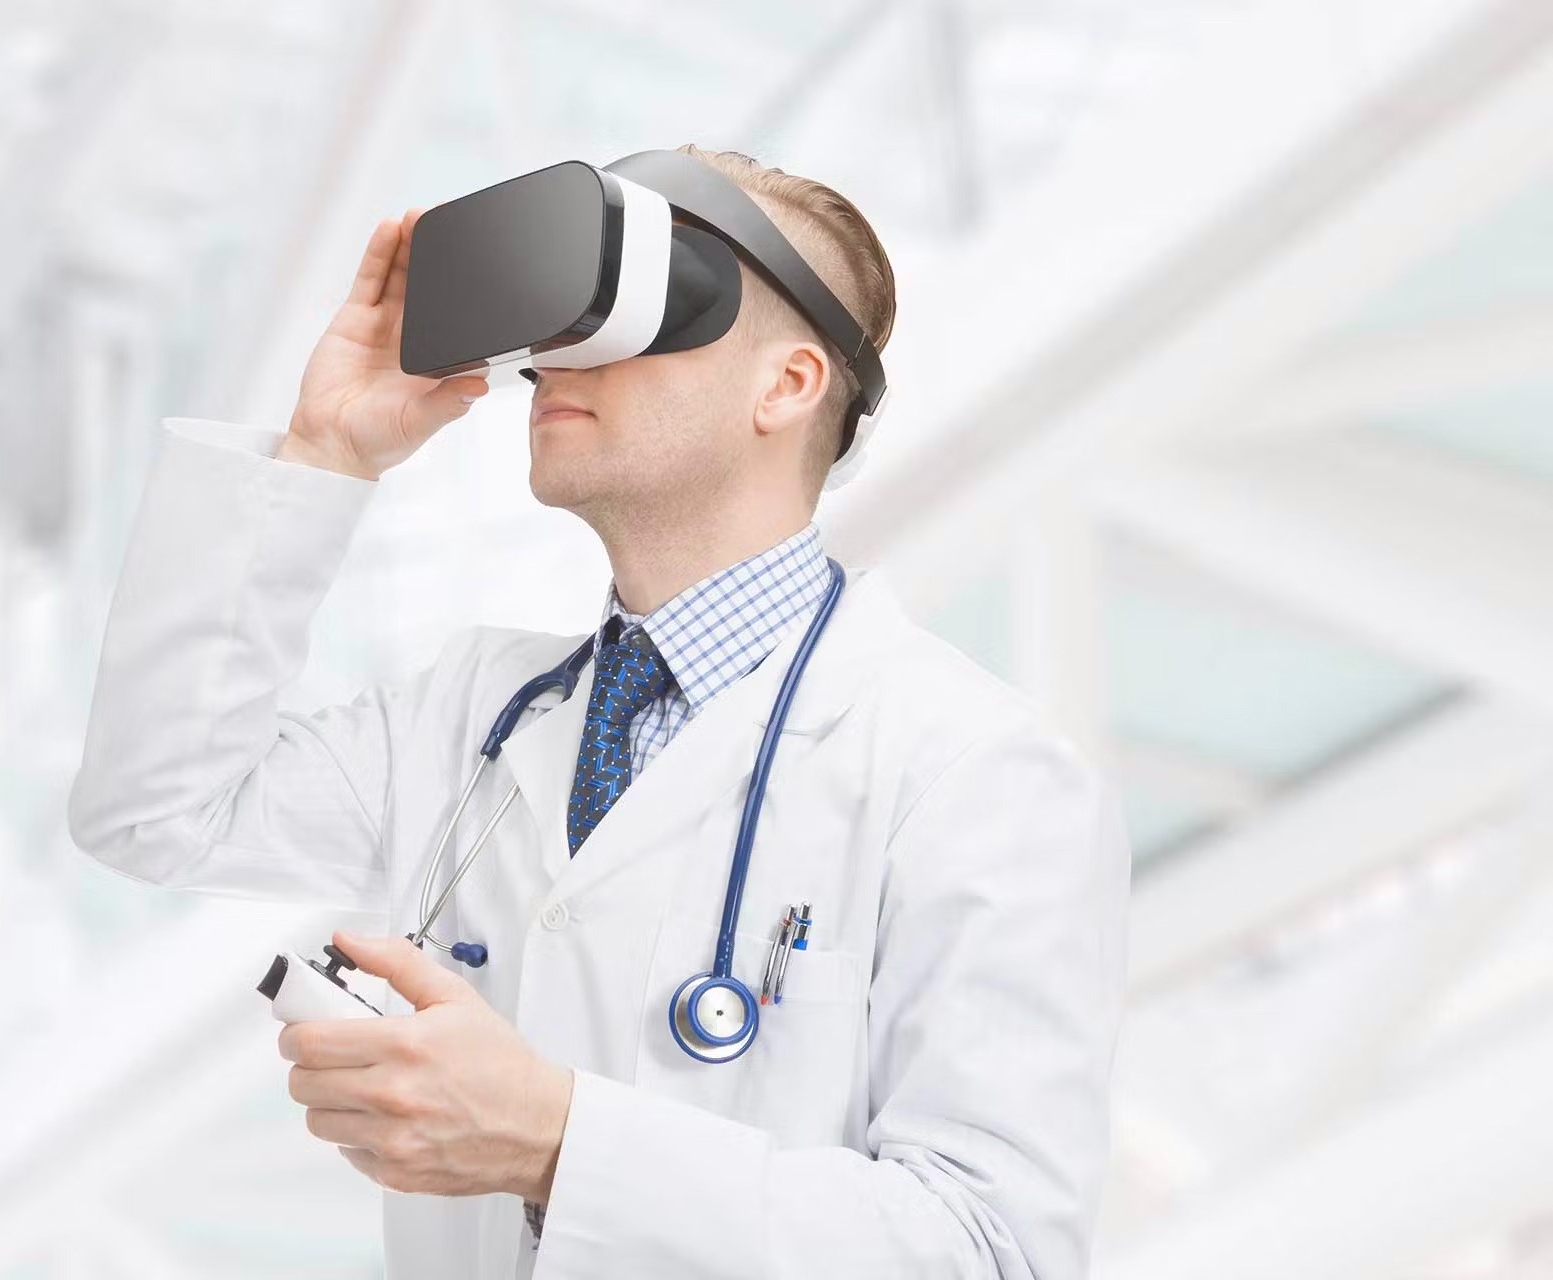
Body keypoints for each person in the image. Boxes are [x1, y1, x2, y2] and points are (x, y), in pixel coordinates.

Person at [68, 143, 1130, 1280]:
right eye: (571, 312)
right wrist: (326, 451)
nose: (561, 355)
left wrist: (558, 1142)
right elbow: (154, 807)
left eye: (651, 305)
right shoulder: (474, 713)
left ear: (789, 385)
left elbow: (992, 1248)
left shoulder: (974, 772)